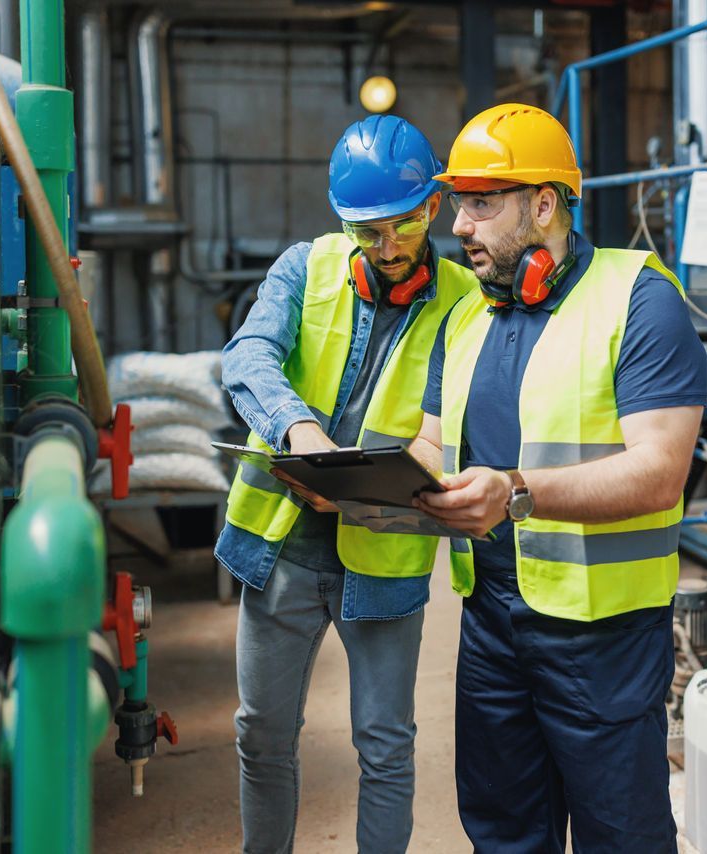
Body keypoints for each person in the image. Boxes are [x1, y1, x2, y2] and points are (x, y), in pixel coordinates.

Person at [409, 103, 707, 852]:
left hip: (601, 636)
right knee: (506, 832)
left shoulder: (639, 300)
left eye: (482, 203)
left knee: (621, 836)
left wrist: (515, 491)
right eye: (460, 204)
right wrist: (350, 480)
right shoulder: (467, 318)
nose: (461, 226)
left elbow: (660, 473)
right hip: (490, 626)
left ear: (544, 205)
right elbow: (430, 442)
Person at [215, 114, 478, 854]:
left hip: (383, 558)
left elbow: (449, 422)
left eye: (403, 225)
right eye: (368, 233)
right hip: (283, 551)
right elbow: (248, 358)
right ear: (342, 222)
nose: (388, 248)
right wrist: (302, 434)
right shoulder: (304, 268)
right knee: (261, 734)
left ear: (432, 206)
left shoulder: (463, 299)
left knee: (386, 747)